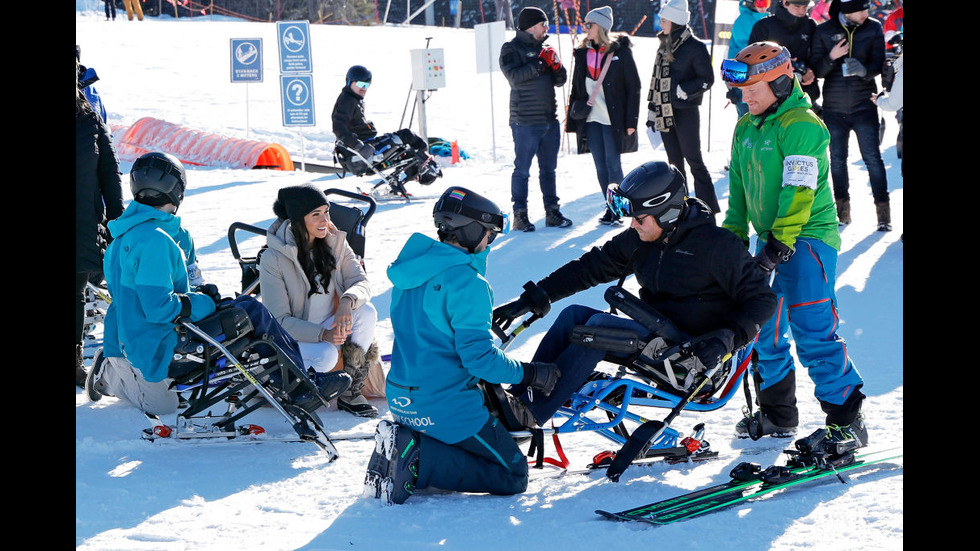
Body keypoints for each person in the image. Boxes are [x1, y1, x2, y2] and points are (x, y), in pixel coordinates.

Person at [492, 161, 777, 426]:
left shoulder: (717, 247)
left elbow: (762, 300)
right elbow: (590, 267)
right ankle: (518, 398)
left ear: (667, 213)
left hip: (694, 360)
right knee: (573, 316)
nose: (633, 225)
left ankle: (529, 415)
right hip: (658, 337)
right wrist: (535, 297)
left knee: (599, 329)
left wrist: (726, 339)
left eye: (640, 218)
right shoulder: (641, 239)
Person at [89, 153, 351, 415]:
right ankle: (111, 372)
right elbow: (159, 308)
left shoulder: (149, 236)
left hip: (144, 336)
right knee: (167, 403)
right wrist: (205, 302)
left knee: (245, 311)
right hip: (153, 343)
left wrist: (203, 292)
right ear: (177, 190)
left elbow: (186, 286)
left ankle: (297, 385)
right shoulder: (153, 241)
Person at [364, 186, 560, 505]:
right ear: (471, 231)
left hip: (400, 398)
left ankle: (408, 440)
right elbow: (480, 360)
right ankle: (417, 459)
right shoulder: (468, 283)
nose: (489, 244)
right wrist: (530, 374)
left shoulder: (409, 274)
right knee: (514, 474)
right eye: (490, 235)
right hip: (444, 406)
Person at [720, 42, 868, 448]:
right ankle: (778, 414)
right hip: (770, 241)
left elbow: (798, 191)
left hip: (806, 239)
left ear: (782, 83)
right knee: (763, 330)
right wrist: (731, 242)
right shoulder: (747, 125)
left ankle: (847, 420)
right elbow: (738, 193)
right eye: (743, 88)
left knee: (813, 331)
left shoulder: (801, 123)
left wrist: (779, 244)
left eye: (755, 88)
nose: (745, 96)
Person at [259, 184, 383, 418]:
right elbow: (279, 322)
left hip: (328, 324)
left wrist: (347, 301)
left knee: (367, 312)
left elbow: (361, 281)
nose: (325, 220)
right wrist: (322, 335)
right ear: (297, 220)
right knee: (326, 355)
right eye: (316, 214)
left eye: (326, 212)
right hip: (293, 338)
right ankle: (293, 391)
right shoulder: (273, 258)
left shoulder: (335, 242)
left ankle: (351, 390)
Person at [810, 0, 890, 231]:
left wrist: (865, 71)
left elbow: (879, 62)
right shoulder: (824, 31)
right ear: (846, 11)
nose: (866, 13)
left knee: (873, 160)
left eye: (866, 8)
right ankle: (842, 212)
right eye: (860, 10)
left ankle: (883, 215)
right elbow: (816, 71)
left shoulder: (873, 27)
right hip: (834, 109)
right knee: (837, 161)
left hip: (864, 105)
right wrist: (831, 57)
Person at [566, 6, 641, 226]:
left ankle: (618, 208)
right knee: (600, 165)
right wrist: (572, 119)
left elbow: (633, 87)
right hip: (590, 119)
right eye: (585, 25)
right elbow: (576, 87)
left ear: (601, 27)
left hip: (612, 120)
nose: (586, 29)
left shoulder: (621, 53)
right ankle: (610, 206)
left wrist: (631, 121)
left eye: (590, 25)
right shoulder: (583, 53)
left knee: (613, 164)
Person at [499, 6, 573, 232]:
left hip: (549, 120)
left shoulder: (546, 47)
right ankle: (520, 214)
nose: (546, 28)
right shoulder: (511, 48)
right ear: (531, 26)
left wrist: (556, 66)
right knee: (522, 169)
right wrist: (539, 64)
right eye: (543, 24)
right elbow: (514, 77)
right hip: (525, 121)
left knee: (549, 170)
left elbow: (560, 80)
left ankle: (552, 211)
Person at [646, 0, 719, 214]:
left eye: (664, 20)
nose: (661, 24)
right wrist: (652, 112)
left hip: (686, 112)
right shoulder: (663, 45)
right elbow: (656, 81)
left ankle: (708, 208)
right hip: (665, 112)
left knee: (693, 159)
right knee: (674, 164)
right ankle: (680, 207)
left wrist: (685, 90)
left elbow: (707, 78)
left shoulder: (695, 47)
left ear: (676, 21)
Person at [76, 61, 124, 387]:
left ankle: (75, 359)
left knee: (75, 293)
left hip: (80, 221)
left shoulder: (89, 120)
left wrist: (116, 221)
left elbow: (109, 173)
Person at [331, 65, 441, 194]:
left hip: (365, 151)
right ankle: (427, 168)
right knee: (407, 135)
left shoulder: (353, 99)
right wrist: (358, 146)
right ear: (349, 82)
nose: (363, 88)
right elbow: (338, 127)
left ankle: (416, 172)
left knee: (406, 148)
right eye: (360, 83)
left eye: (366, 85)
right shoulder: (347, 100)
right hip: (362, 154)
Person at [748, 0, 822, 116]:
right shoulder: (764, 26)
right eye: (797, 6)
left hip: (804, 96)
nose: (802, 10)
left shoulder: (811, 25)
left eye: (805, 7)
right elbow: (752, 60)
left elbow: (818, 57)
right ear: (785, 3)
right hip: (771, 98)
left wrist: (807, 71)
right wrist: (784, 64)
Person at [726, 1, 772, 118]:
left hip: (755, 71)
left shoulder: (767, 18)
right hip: (739, 69)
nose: (763, 7)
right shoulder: (744, 20)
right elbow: (747, 49)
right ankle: (743, 135)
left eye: (766, 3)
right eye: (760, 3)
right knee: (747, 113)